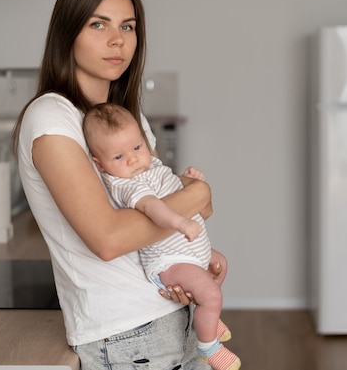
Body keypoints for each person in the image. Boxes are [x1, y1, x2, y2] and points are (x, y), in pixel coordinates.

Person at [12, 0, 229, 370]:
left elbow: (177, 204)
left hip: (169, 312)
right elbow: (109, 238)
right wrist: (197, 194)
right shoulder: (51, 117)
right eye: (98, 24)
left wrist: (179, 264)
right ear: (68, 33)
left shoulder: (123, 117)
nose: (118, 40)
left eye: (127, 26)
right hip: (126, 333)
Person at [82, 103, 240, 370]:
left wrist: (189, 180)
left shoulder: (149, 166)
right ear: (100, 164)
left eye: (136, 148)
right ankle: (209, 347)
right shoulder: (127, 185)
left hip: (186, 252)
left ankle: (208, 315)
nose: (132, 159)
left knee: (220, 264)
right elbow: (153, 208)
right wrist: (179, 221)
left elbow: (173, 186)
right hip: (169, 261)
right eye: (118, 157)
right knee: (212, 295)